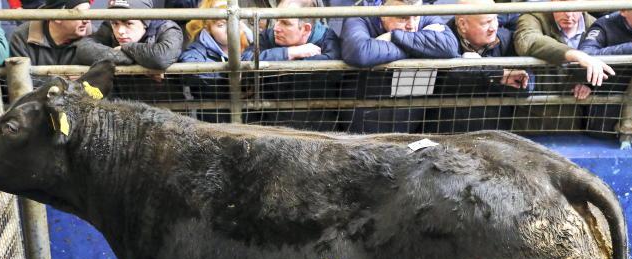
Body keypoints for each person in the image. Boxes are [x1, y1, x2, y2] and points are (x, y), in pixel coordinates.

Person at [393, 0, 531, 132]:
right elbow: (446, 78)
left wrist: (496, 75)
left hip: (495, 132)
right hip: (445, 131)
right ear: (462, 24)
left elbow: (527, 86)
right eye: (486, 23)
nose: (493, 27)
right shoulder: (437, 42)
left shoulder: (506, 40)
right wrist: (498, 74)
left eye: (495, 19)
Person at [340, 0, 450, 133]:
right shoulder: (360, 14)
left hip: (411, 114)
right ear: (383, 14)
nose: (411, 26)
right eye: (402, 18)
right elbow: (360, 52)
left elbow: (449, 46)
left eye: (416, 16)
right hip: (364, 112)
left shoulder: (425, 12)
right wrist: (420, 48)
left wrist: (392, 36)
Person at [240, 0, 342, 129]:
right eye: (277, 20)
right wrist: (290, 52)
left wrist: (276, 65)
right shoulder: (268, 36)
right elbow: (245, 61)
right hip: (270, 125)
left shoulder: (326, 39)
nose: (276, 28)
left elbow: (333, 73)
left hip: (318, 127)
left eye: (285, 23)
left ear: (306, 29)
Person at [513, 0, 612, 132]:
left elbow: (612, 71)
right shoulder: (534, 17)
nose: (569, 15)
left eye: (574, 8)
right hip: (531, 113)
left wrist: (589, 85)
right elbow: (527, 41)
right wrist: (575, 55)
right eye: (563, 7)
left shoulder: (596, 25)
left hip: (575, 117)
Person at [180, 0, 247, 122]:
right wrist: (229, 74)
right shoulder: (197, 51)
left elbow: (262, 57)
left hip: (247, 121)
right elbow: (189, 68)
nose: (230, 29)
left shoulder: (248, 44)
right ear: (208, 28)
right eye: (221, 25)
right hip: (212, 122)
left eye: (234, 23)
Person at [75, 0, 184, 70]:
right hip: (123, 97)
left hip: (164, 97)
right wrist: (139, 60)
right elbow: (84, 49)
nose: (120, 31)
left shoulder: (167, 28)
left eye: (129, 23)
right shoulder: (108, 27)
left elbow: (161, 58)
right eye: (115, 23)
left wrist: (126, 47)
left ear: (145, 23)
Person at [10, 0, 91, 65]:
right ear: (57, 17)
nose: (86, 21)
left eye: (88, 12)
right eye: (79, 14)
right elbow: (20, 78)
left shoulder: (93, 36)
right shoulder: (21, 38)